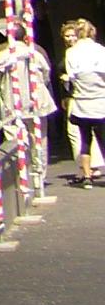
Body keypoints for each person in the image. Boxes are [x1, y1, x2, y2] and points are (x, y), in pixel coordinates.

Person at [61, 17, 105, 184]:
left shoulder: (71, 53)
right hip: (100, 100)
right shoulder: (100, 50)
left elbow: (71, 77)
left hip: (81, 101)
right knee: (103, 138)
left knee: (85, 139)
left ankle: (87, 176)